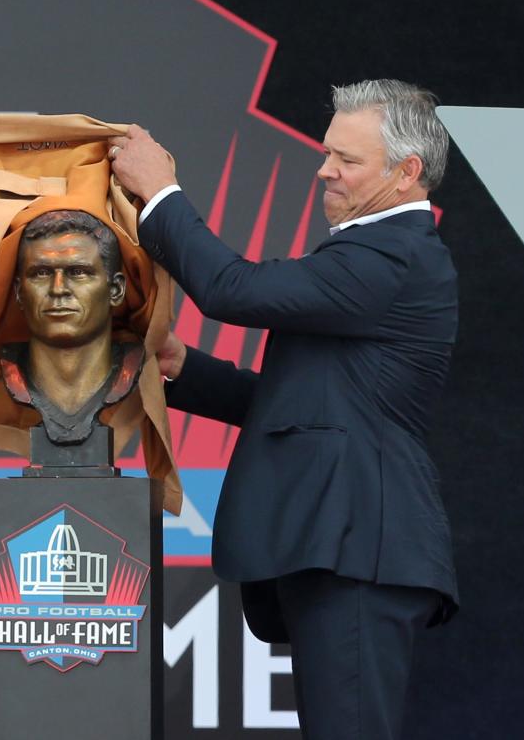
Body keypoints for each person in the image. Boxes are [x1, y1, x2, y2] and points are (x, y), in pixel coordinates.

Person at [109, 79, 458, 740]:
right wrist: (189, 371)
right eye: (328, 152)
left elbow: (229, 287)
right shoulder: (374, 255)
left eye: (347, 160)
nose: (324, 169)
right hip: (338, 548)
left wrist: (159, 194)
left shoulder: (394, 253)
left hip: (359, 548)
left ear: (407, 173)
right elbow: (306, 409)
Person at [3, 209, 142, 446]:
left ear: (115, 290)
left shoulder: (134, 368)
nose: (58, 289)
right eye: (41, 273)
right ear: (19, 293)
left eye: (78, 272)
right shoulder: (8, 373)